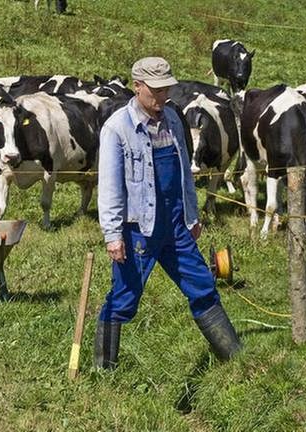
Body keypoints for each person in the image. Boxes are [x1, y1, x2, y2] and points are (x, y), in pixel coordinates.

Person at [94, 57, 242, 369]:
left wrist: (191, 214)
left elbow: (184, 174)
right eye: (156, 90)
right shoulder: (117, 128)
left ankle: (234, 359)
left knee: (202, 283)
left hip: (175, 223)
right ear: (137, 87)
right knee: (124, 297)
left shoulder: (173, 119)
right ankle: (103, 367)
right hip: (138, 228)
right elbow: (109, 187)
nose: (163, 96)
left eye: (166, 89)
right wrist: (113, 235)